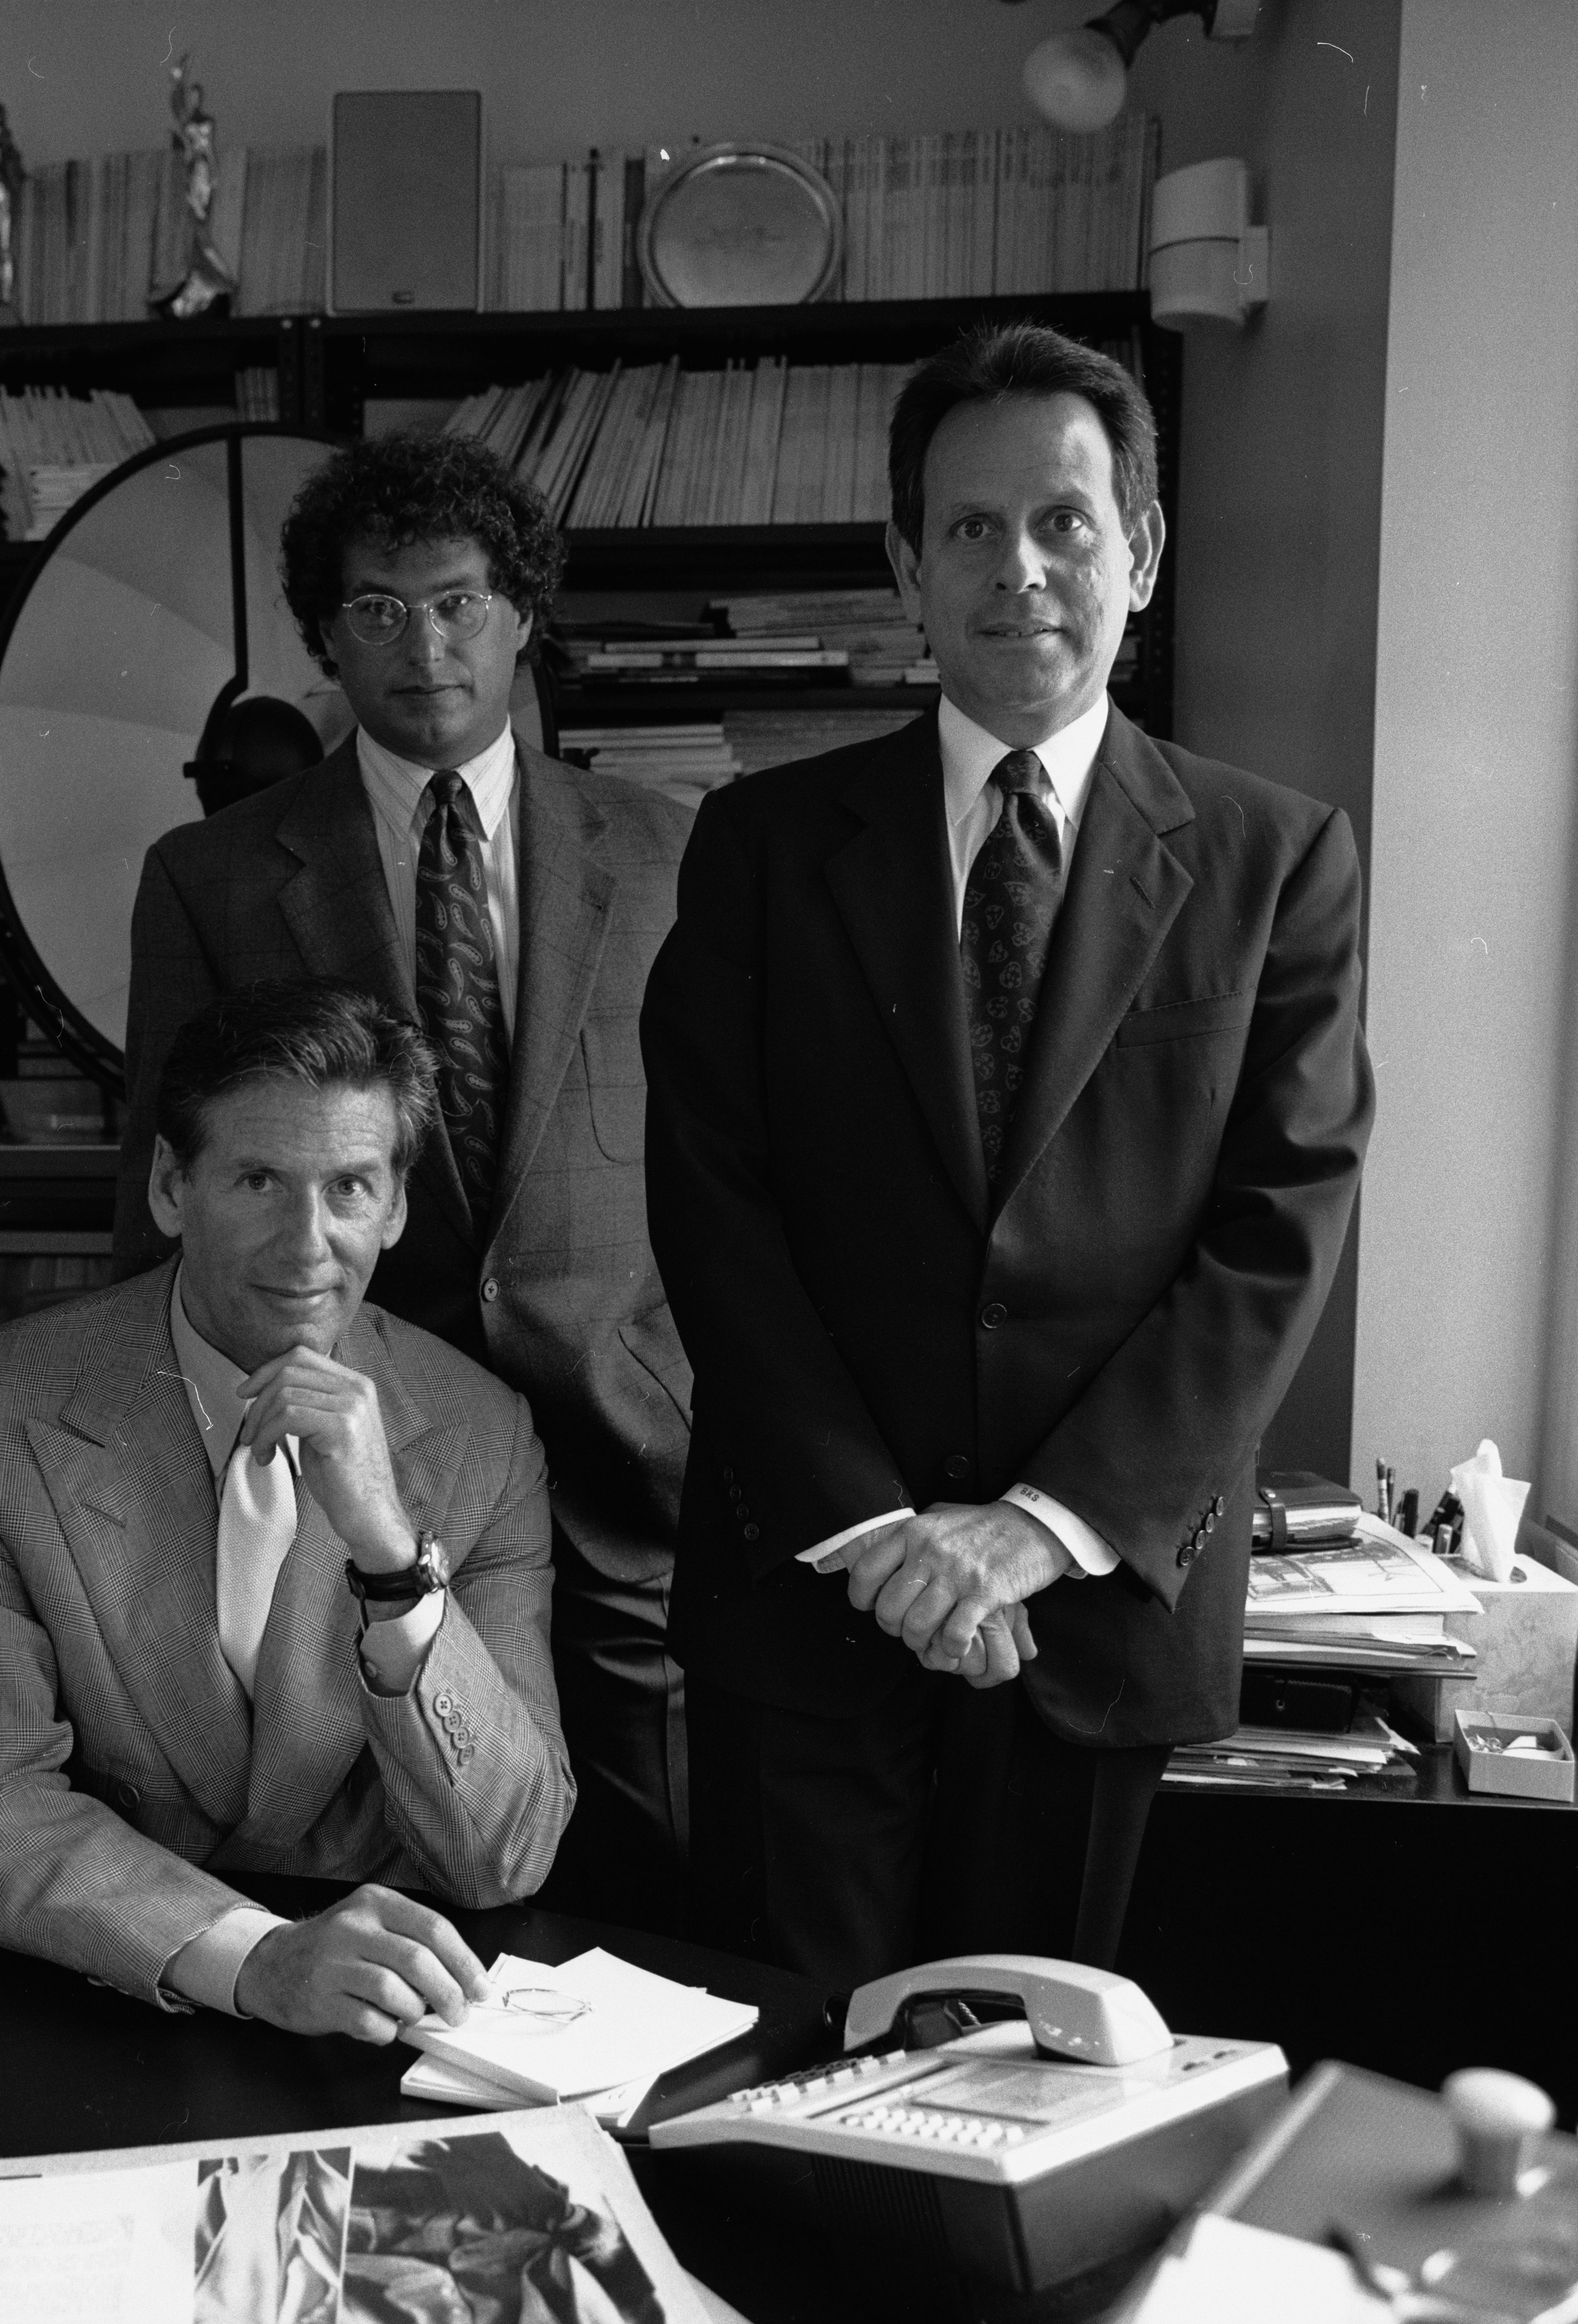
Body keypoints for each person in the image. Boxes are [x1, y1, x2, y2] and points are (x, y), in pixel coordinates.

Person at [641, 321, 1373, 1993]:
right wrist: (879, 1535)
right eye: (970, 530)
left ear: (1145, 553)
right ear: (908, 565)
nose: (1019, 570)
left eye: (1064, 524)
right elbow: (713, 1205)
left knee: (1040, 2119)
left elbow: (1278, 1233)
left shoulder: (1275, 861)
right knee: (783, 2099)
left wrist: (1039, 1528)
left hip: (1096, 1614)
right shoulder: (761, 847)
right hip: (815, 1599)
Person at [114, 431, 697, 1930]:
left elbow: (737, 1171)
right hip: (359, 1448)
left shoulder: (676, 854)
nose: (423, 644)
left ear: (521, 615)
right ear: (323, 637)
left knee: (647, 1882)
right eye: (377, 609)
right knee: (411, 1866)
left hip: (634, 1447)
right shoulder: (216, 876)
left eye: (458, 602)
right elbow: (163, 1186)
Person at [0, 979, 573, 2039]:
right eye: (259, 1180)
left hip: (396, 2013)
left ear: (394, 1207)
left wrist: (390, 1553)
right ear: (171, 1187)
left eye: (349, 1188)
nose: (308, 1244)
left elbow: (504, 1855)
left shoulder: (487, 1437)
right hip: (97, 1993)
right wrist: (255, 1961)